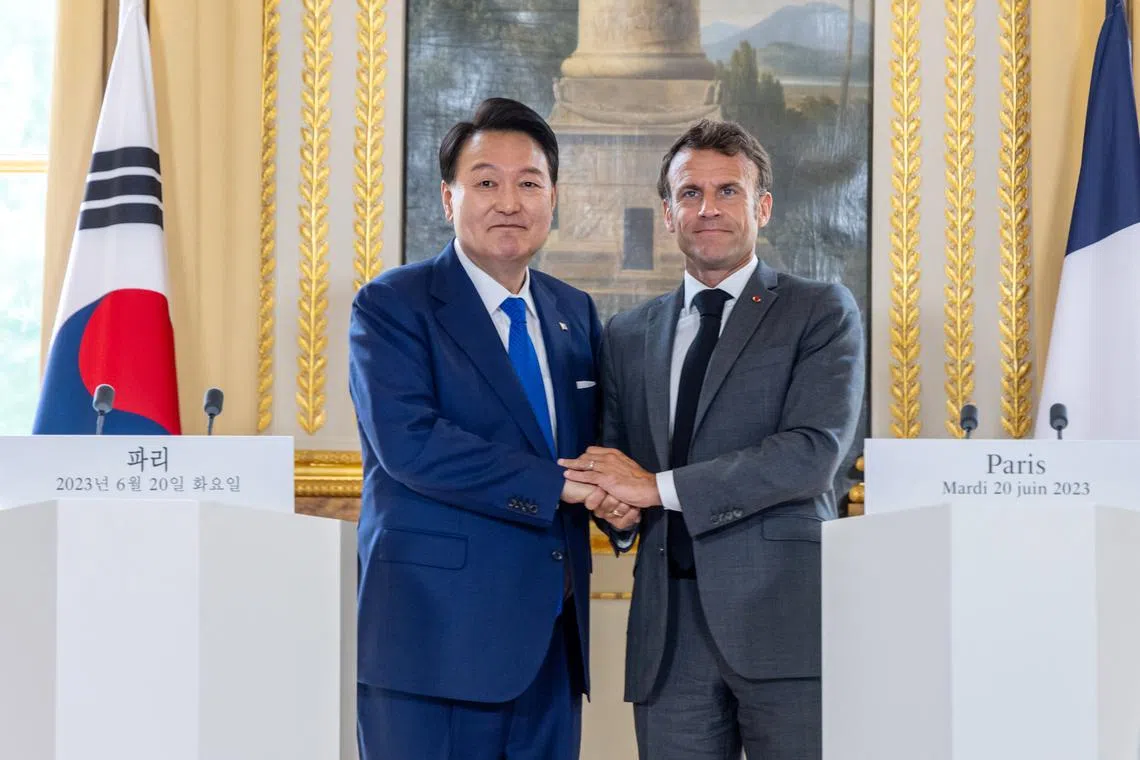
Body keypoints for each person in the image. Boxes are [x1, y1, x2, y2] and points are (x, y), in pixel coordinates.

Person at [561, 119, 865, 760]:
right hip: (668, 641)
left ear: (763, 207)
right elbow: (623, 468)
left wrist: (654, 488)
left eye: (728, 191)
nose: (708, 209)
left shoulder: (819, 310)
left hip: (783, 624)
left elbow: (811, 454)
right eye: (690, 193)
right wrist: (617, 508)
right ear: (668, 213)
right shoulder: (627, 333)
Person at [349, 97, 612, 760]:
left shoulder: (572, 311)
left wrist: (623, 499)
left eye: (529, 183)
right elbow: (411, 443)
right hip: (434, 643)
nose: (509, 201)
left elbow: (592, 449)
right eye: (486, 181)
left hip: (551, 641)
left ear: (555, 197)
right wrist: (562, 486)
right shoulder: (393, 304)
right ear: (448, 197)